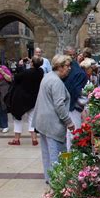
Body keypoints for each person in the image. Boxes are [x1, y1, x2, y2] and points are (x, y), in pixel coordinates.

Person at [33, 54, 75, 183]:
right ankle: (57, 181)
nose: (69, 69)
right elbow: (59, 105)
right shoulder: (56, 81)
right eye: (67, 66)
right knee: (55, 154)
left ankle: (50, 178)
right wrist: (69, 122)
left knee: (47, 153)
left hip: (43, 122)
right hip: (52, 123)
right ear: (60, 67)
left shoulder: (48, 77)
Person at [7, 56, 44, 146]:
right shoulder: (40, 72)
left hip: (21, 99)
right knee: (32, 119)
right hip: (34, 98)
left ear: (31, 63)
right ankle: (34, 139)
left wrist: (20, 66)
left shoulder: (26, 72)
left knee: (18, 118)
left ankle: (16, 139)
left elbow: (16, 78)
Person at [63, 45, 88, 151]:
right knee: (72, 132)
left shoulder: (73, 69)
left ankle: (71, 154)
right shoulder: (73, 70)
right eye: (70, 55)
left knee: (71, 133)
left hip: (70, 105)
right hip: (70, 105)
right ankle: (71, 154)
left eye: (73, 55)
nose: (72, 57)